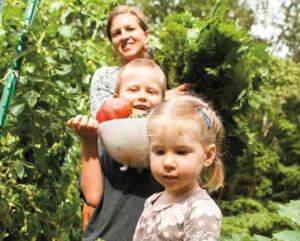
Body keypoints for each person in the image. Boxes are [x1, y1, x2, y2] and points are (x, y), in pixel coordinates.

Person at [84, 4, 191, 231]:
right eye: (116, 33)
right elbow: (106, 121)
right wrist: (165, 101)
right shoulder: (105, 76)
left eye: (130, 29)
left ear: (146, 34)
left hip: (159, 178)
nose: (124, 36)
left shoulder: (168, 73)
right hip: (113, 180)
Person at [68, 58, 167, 241]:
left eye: (151, 91)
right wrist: (89, 141)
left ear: (164, 102)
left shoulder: (168, 145)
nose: (142, 96)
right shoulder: (105, 138)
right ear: (115, 99)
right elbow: (93, 198)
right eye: (133, 89)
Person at [133, 95, 224, 241]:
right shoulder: (152, 201)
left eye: (181, 152)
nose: (168, 162)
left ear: (207, 156)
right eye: (159, 151)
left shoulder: (200, 210)